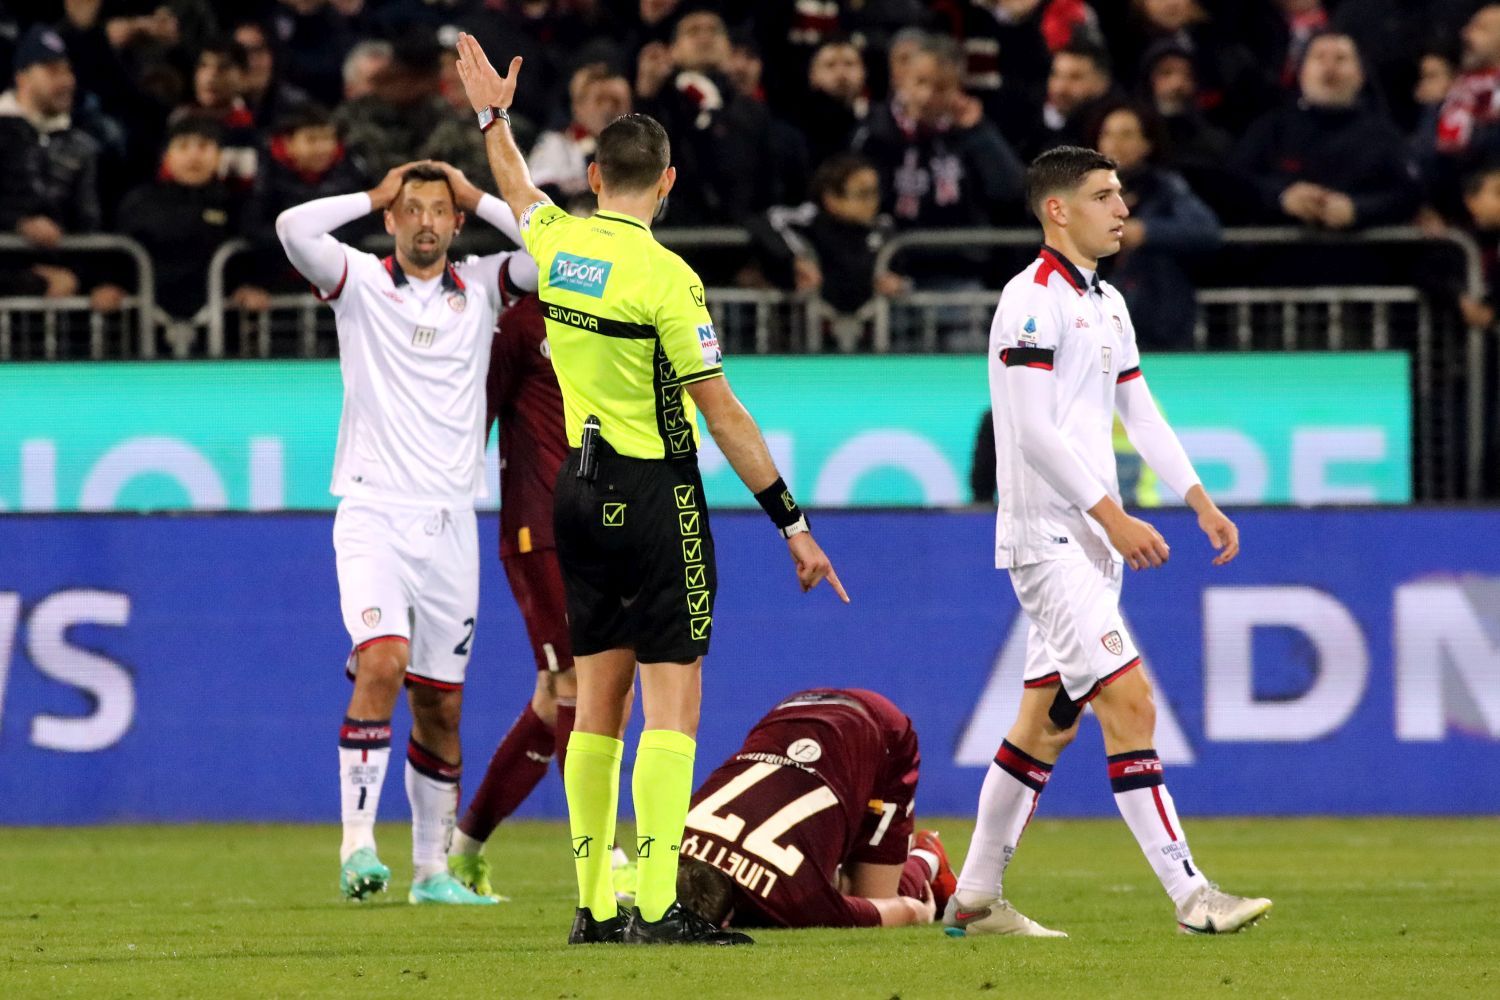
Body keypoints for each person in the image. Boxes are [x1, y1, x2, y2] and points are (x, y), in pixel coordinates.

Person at [453, 31, 848, 945]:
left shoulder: (559, 246)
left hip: (576, 491)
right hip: (656, 496)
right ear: (667, 183)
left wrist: (491, 118)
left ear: (594, 177)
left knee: (597, 705)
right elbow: (722, 412)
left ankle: (595, 908)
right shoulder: (670, 279)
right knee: (674, 704)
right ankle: (663, 905)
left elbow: (518, 191)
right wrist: (791, 522)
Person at [949, 145, 1270, 938]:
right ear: (1057, 210)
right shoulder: (1030, 301)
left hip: (1087, 542)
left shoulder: (1107, 302)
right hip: (1049, 538)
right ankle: (1193, 898)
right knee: (1131, 702)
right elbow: (1031, 432)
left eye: (1120, 193)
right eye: (1104, 196)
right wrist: (1113, 517)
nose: (1123, 208)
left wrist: (1198, 499)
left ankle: (975, 899)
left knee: (1044, 725)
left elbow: (1141, 413)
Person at [274, 157, 539, 906]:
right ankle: (357, 847)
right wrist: (370, 192)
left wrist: (479, 194)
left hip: (452, 522)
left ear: (456, 224)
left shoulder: (483, 288)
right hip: (374, 512)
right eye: (411, 209)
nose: (425, 222)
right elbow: (292, 228)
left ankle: (431, 873)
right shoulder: (359, 282)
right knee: (382, 661)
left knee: (442, 707)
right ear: (391, 219)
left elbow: (556, 249)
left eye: (439, 210)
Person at [446, 292, 580, 897]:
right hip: (539, 526)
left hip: (602, 522)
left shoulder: (614, 312)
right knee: (578, 682)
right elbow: (473, 423)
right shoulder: (521, 325)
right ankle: (603, 854)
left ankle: (464, 849)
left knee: (557, 697)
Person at [663, 688, 954, 930]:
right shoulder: (666, 847)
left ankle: (928, 856)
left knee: (871, 896)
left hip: (880, 731)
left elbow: (904, 911)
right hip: (792, 712)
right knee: (833, 885)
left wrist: (921, 913)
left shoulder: (796, 902)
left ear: (726, 924)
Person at [1233, 32, 1419, 231]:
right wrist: (1281, 197)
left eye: (1340, 59)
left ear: (1360, 75)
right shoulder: (1272, 128)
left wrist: (1358, 209)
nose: (1330, 68)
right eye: (1319, 57)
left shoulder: (1382, 135)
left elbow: (1409, 193)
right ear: (1302, 72)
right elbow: (1236, 182)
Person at [1090, 101, 1220, 350]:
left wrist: (1145, 231)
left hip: (1157, 323)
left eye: (1126, 135)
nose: (1114, 143)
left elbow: (1207, 230)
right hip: (1096, 324)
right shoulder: (1084, 192)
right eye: (1107, 134)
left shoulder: (1165, 188)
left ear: (1147, 144)